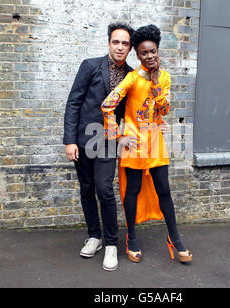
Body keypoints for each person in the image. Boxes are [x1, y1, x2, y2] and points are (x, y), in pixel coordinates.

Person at [101, 25, 193, 264]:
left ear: (157, 50)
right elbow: (107, 105)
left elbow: (164, 109)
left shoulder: (164, 76)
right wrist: (119, 137)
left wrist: (156, 84)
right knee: (132, 190)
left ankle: (175, 238)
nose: (149, 56)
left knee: (164, 190)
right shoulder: (131, 78)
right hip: (133, 143)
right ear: (137, 54)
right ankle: (132, 238)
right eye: (143, 53)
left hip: (155, 141)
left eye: (152, 51)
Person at [63, 23, 135, 271]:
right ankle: (94, 236)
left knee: (104, 189)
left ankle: (112, 244)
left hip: (108, 141)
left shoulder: (132, 76)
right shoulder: (90, 66)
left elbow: (130, 113)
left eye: (125, 43)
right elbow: (73, 103)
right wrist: (70, 140)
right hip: (84, 140)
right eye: (116, 41)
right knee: (86, 188)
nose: (120, 47)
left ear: (130, 48)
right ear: (109, 43)